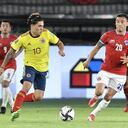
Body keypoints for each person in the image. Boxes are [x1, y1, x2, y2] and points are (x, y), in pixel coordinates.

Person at [0, 12, 65, 121]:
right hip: (30, 66)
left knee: (38, 97)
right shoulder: (23, 38)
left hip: (43, 69)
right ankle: (15, 111)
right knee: (26, 86)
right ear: (32, 25)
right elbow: (11, 52)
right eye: (39, 26)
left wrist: (61, 50)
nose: (41, 28)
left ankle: (18, 98)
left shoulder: (47, 33)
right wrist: (2, 66)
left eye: (42, 26)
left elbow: (59, 43)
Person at [83, 13, 128, 121]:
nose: (119, 24)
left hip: (120, 73)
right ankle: (95, 97)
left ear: (127, 23)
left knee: (108, 97)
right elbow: (96, 48)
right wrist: (88, 60)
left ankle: (93, 114)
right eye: (117, 21)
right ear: (115, 23)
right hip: (106, 70)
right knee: (99, 92)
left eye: (122, 22)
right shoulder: (107, 35)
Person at [0, 20, 17, 114]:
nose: (5, 27)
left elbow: (22, 47)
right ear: (0, 28)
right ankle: (4, 105)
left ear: (10, 28)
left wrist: (16, 54)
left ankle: (13, 106)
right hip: (0, 65)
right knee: (4, 85)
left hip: (10, 64)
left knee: (5, 84)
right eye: (3, 26)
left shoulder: (14, 39)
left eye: (7, 26)